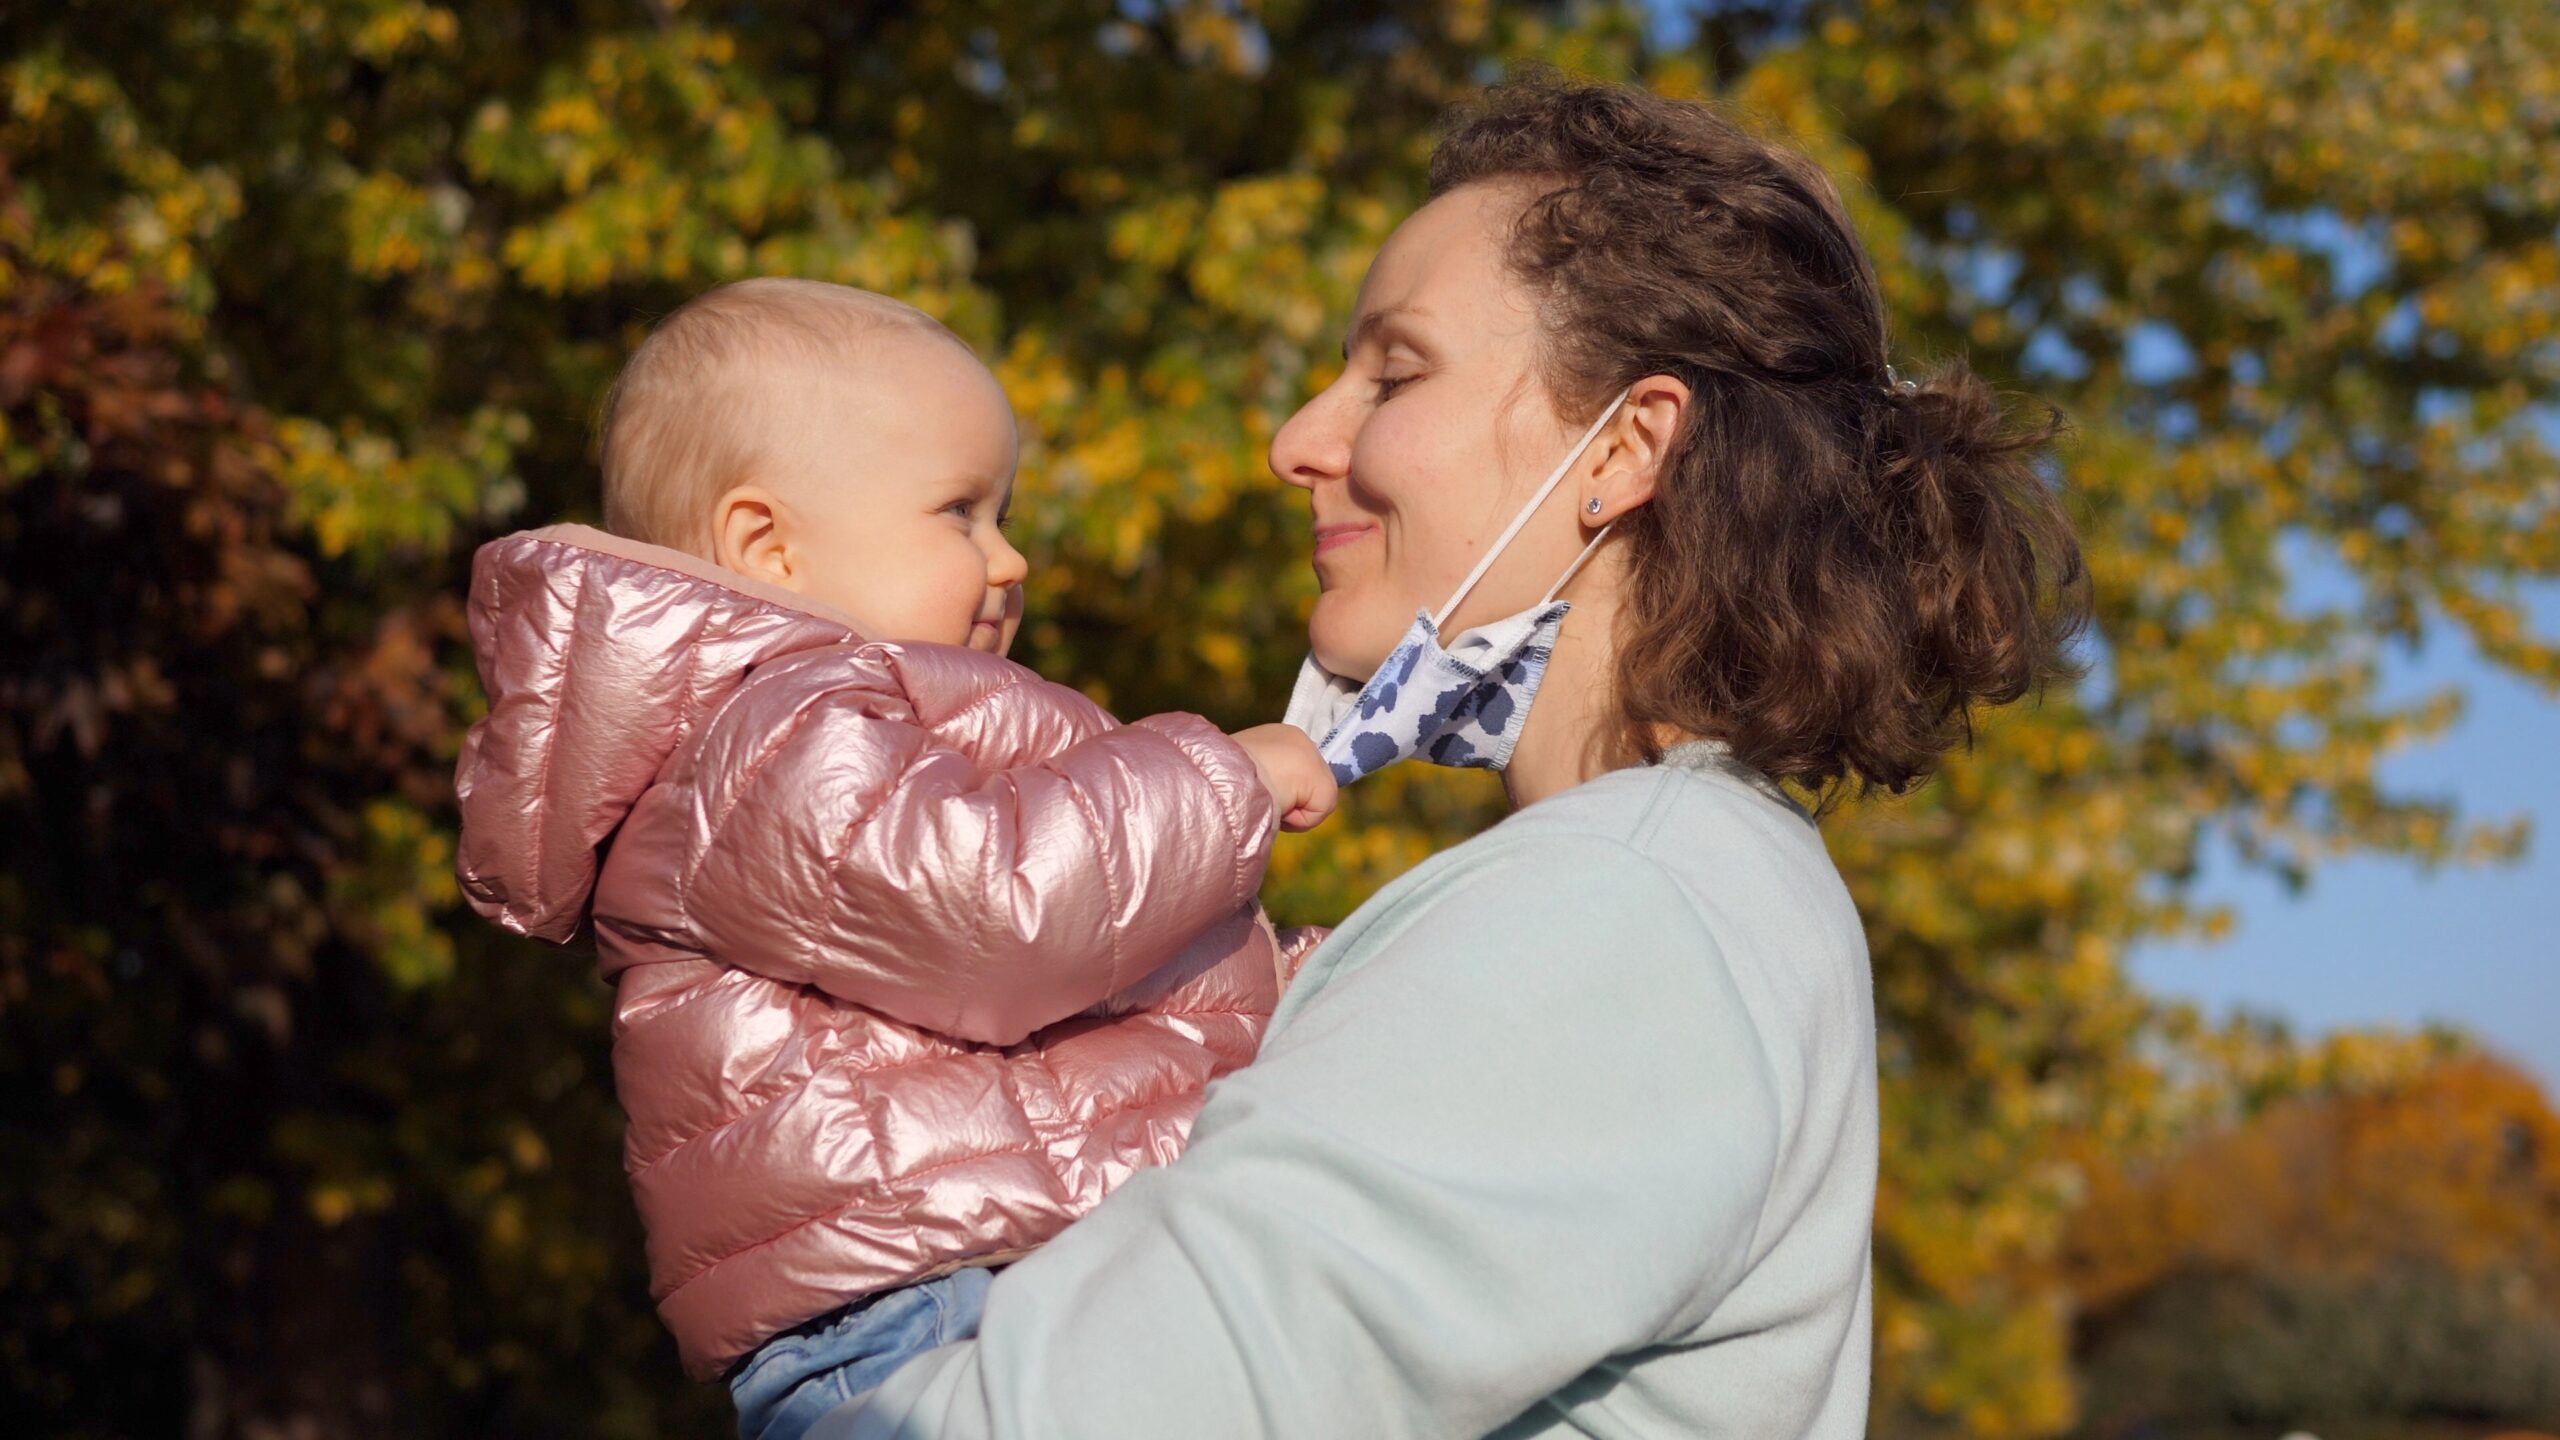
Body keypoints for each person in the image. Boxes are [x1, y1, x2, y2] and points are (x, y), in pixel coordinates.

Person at [816, 76, 2085, 1439]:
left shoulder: (1619, 914)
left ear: (1628, 447)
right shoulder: (1673, 886)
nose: (1298, 441)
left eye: (1395, 371)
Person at [449, 278, 1337, 1440]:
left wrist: (1333, 983)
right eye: (960, 513)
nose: (1009, 558)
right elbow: (995, 912)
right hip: (929, 1316)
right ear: (764, 545)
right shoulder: (762, 733)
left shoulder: (857, 731)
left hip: (979, 1277)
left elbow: (1092, 990)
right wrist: (1229, 778)